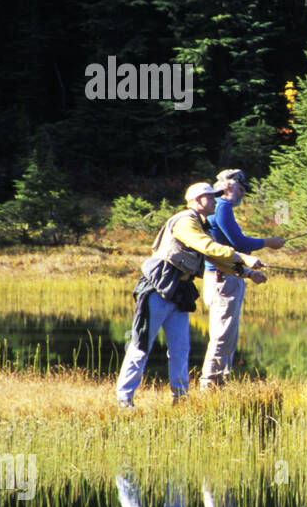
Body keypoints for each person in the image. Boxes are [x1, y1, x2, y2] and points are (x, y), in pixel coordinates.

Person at [115, 182, 266, 407]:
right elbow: (206, 246)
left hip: (179, 293)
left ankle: (181, 399)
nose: (215, 201)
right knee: (141, 345)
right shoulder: (185, 222)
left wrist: (247, 274)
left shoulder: (200, 225)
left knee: (181, 349)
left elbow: (214, 259)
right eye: (211, 197)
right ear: (197, 201)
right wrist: (243, 257)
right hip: (157, 289)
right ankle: (124, 400)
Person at [200, 169, 284, 389]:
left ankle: (219, 382)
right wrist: (268, 242)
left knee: (227, 334)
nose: (243, 193)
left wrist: (247, 272)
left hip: (224, 276)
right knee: (223, 334)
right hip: (224, 279)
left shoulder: (215, 206)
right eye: (241, 188)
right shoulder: (222, 206)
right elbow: (238, 243)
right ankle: (210, 384)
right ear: (229, 185)